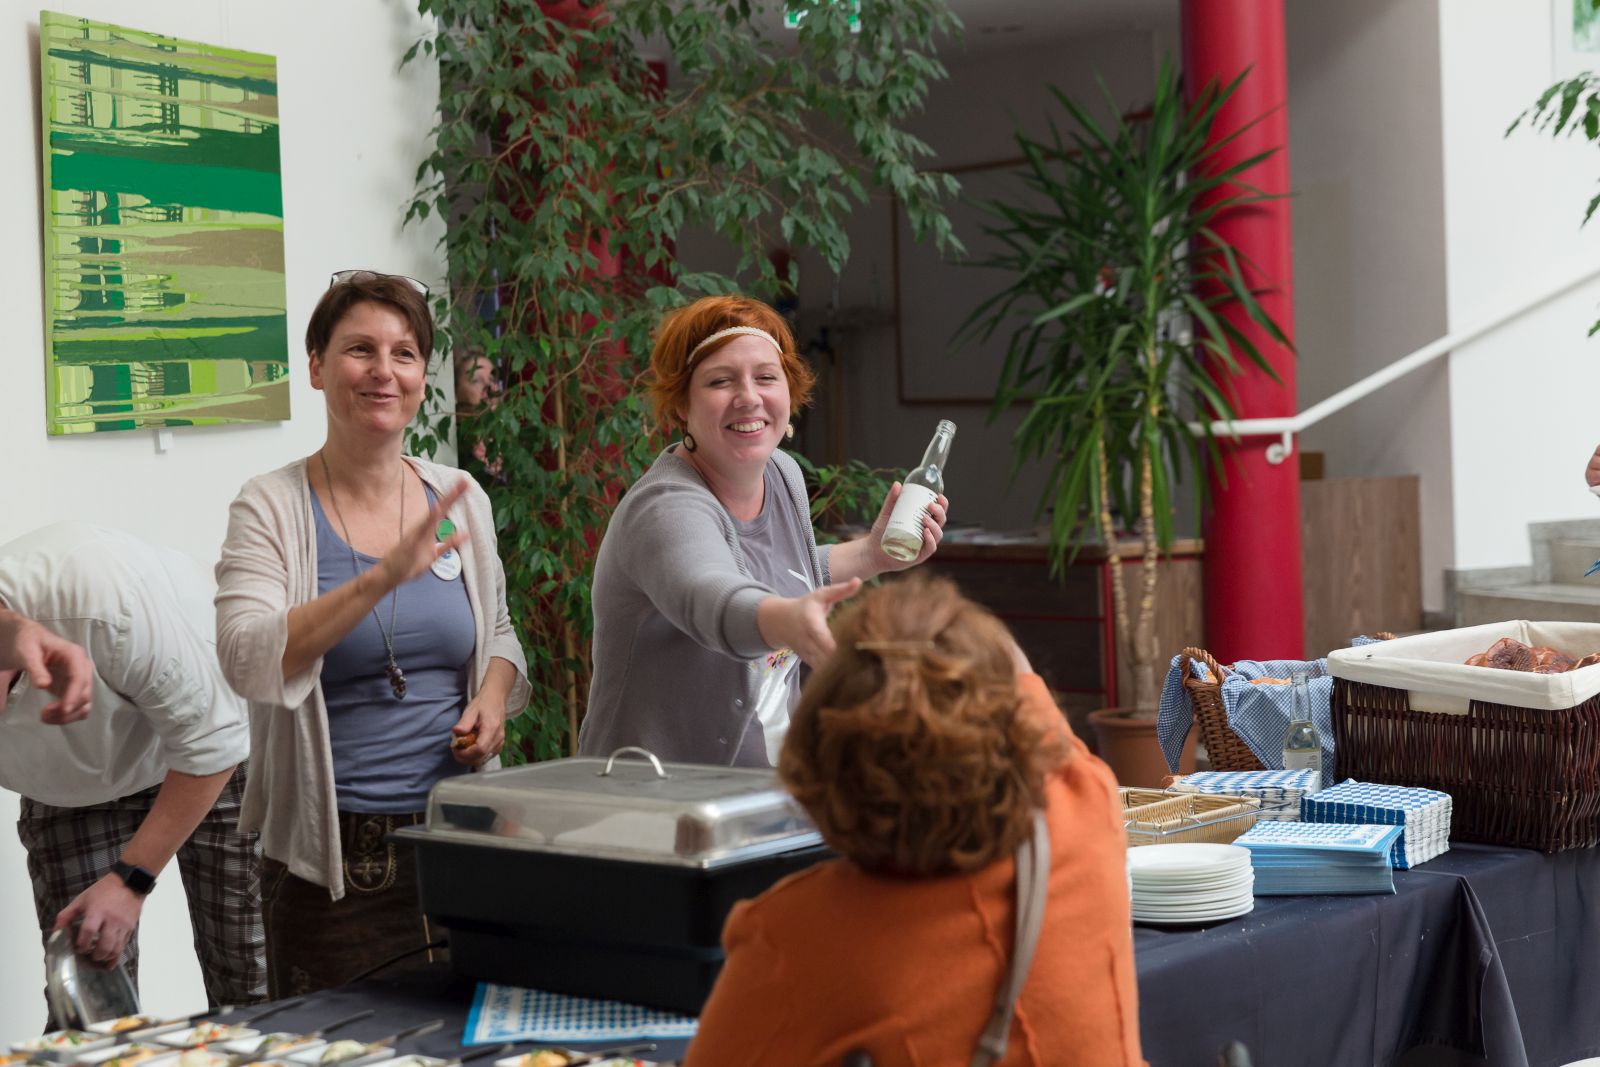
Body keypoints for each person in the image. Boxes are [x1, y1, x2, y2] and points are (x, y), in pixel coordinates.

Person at [215, 270, 531, 997]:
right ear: (317, 367)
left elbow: (500, 633)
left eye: (404, 353)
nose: (384, 370)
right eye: (360, 349)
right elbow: (244, 657)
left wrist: (491, 698)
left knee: (469, 1039)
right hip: (333, 863)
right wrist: (380, 578)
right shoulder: (270, 506)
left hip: (462, 839)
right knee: (346, 1046)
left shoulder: (458, 497)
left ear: (422, 377)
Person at [684, 574, 1146, 1067]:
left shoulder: (793, 936)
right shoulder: (1086, 802)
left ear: (821, 761)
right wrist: (945, 632)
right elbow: (1020, 678)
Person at [580, 295, 949, 766]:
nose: (749, 397)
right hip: (657, 793)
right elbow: (711, 597)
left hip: (768, 785)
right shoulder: (665, 508)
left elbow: (778, 571)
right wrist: (786, 622)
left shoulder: (781, 472)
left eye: (766, 377)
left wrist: (871, 554)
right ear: (681, 404)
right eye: (721, 381)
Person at [0, 522, 265, 1018]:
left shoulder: (100, 598)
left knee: (251, 977)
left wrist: (131, 880)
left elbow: (211, 741)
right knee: (87, 1004)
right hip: (73, 789)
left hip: (215, 748)